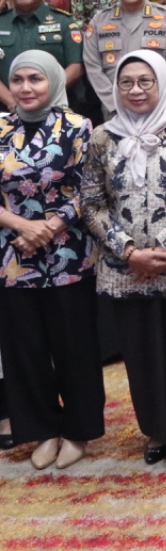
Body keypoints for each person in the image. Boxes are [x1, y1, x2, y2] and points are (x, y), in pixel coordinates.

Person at [81, 51, 166, 465]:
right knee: (142, 351)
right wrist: (128, 251)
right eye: (127, 83)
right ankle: (158, 429)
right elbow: (91, 201)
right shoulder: (102, 137)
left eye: (146, 81)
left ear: (162, 82)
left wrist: (163, 248)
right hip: (126, 268)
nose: (136, 90)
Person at [0, 52, 102, 470]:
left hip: (69, 253)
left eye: (36, 80)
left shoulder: (78, 127)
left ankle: (77, 430)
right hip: (12, 254)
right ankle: (42, 429)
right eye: (18, 80)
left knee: (74, 345)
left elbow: (90, 188)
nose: (26, 88)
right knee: (25, 348)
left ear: (54, 82)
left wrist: (51, 226)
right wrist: (21, 225)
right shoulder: (0, 128)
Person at [0, 0, 84, 114]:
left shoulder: (64, 22)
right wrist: (12, 102)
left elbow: (75, 67)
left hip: (54, 108)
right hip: (5, 110)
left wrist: (45, 96)